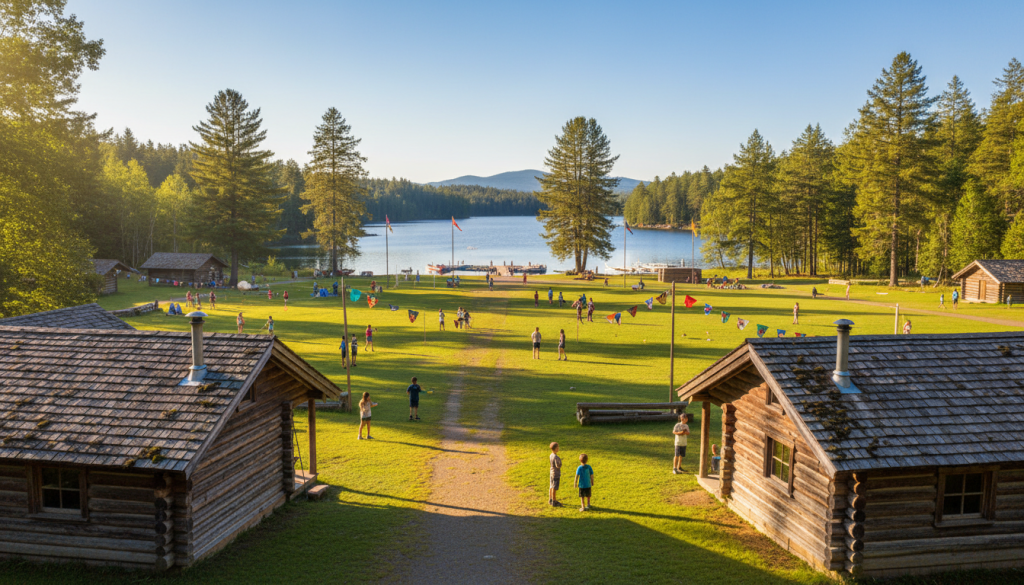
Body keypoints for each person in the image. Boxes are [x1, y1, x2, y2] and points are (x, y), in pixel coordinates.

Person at [549, 442, 562, 507]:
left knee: (551, 486)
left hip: (551, 472)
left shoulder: (551, 455)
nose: (558, 448)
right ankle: (554, 500)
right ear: (555, 448)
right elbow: (558, 465)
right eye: (557, 447)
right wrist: (560, 464)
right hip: (555, 473)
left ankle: (550, 499)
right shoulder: (556, 457)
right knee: (554, 487)